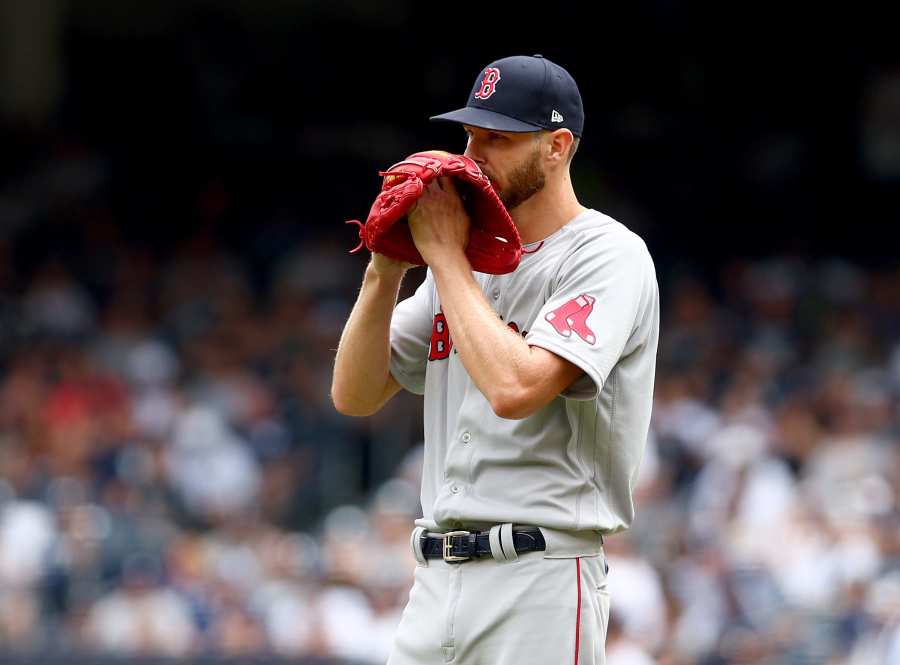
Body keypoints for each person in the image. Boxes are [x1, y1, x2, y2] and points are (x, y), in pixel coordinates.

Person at [332, 54, 659, 665]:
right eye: (471, 135)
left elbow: (516, 388)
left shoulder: (607, 253)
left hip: (540, 579)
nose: (473, 154)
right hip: (433, 579)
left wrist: (447, 258)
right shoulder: (462, 259)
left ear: (557, 146)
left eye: (499, 139)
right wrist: (386, 267)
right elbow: (355, 394)